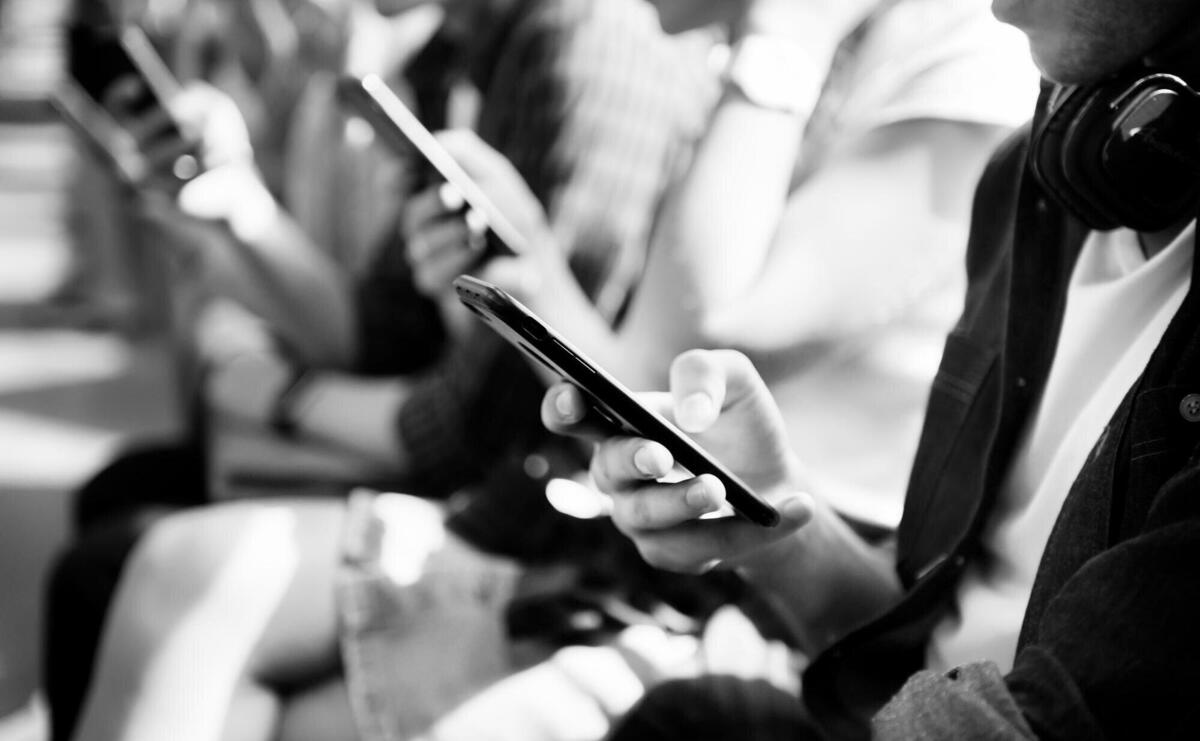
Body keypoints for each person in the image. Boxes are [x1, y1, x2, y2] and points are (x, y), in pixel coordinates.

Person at [543, 0, 1200, 737]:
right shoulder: (1047, 165)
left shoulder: (962, 76)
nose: (996, 5)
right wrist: (777, 517)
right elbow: (927, 645)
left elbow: (1030, 721)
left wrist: (781, 42)